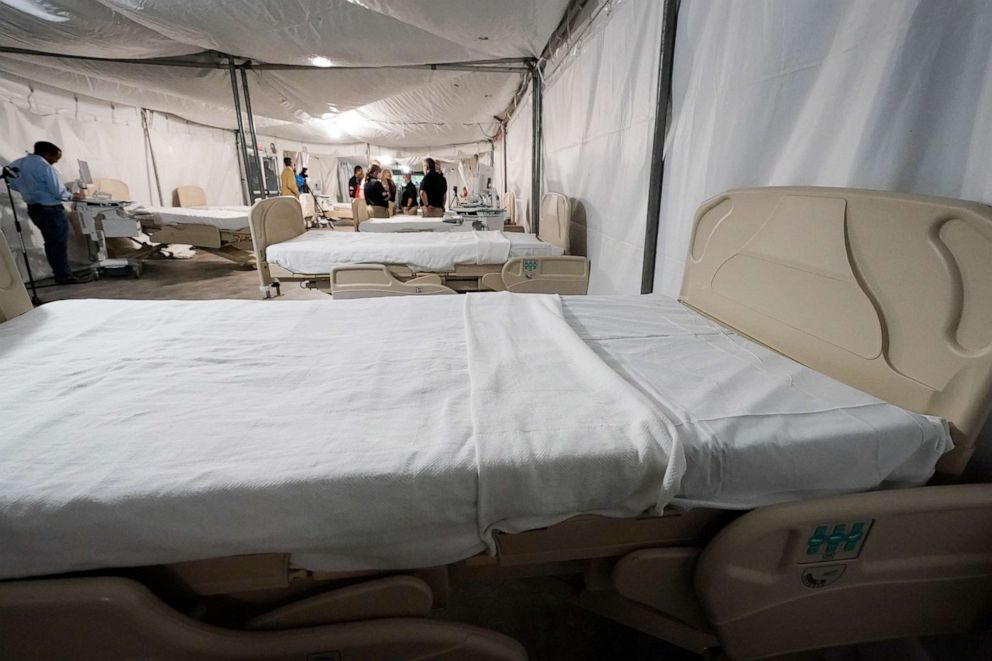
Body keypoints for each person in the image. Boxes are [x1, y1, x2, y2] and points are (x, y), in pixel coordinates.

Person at [7, 141, 90, 284]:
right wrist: (74, 196)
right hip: (51, 209)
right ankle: (64, 275)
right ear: (48, 154)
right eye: (55, 158)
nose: (55, 162)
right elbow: (57, 191)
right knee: (58, 243)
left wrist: (29, 191)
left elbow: (11, 183)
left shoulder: (17, 164)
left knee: (50, 243)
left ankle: (60, 273)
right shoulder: (45, 167)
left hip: (34, 208)